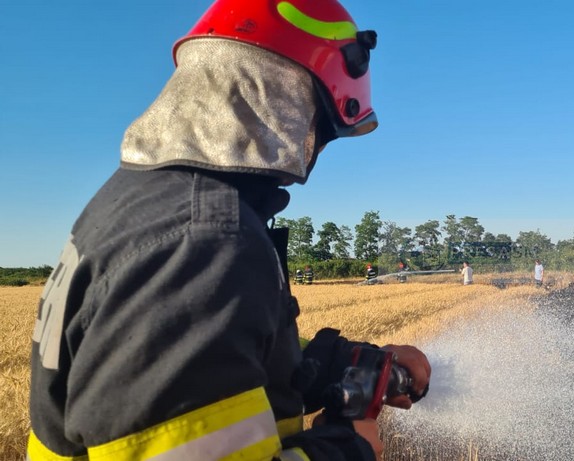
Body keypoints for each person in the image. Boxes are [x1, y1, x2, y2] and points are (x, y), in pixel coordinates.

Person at [26, 2, 430, 460]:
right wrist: (348, 451)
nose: (313, 148)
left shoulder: (141, 204)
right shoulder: (199, 242)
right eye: (320, 127)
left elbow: (213, 355)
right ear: (289, 104)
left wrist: (335, 366)